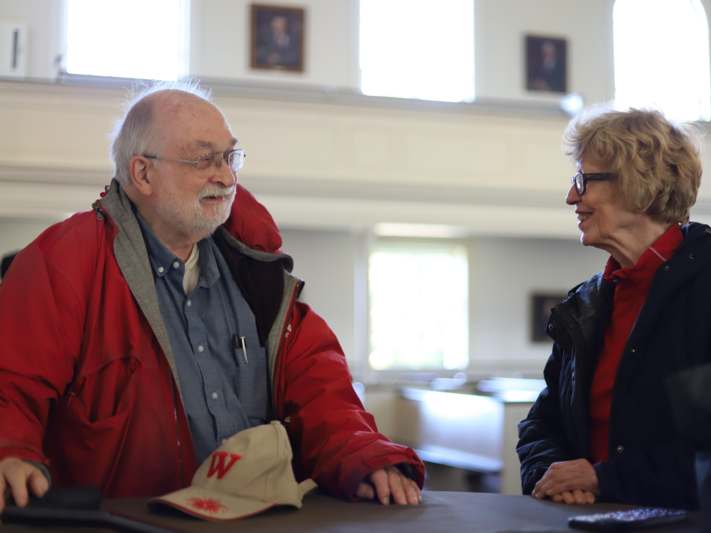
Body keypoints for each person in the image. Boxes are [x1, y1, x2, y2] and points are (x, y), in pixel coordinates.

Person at [0, 83, 424, 512]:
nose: (226, 176)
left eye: (229, 156)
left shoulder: (256, 274)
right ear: (143, 173)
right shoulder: (62, 263)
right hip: (128, 525)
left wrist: (362, 456)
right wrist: (9, 452)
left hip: (258, 519)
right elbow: (10, 385)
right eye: (203, 159)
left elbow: (322, 390)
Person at [516, 108, 711, 508]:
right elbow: (541, 424)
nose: (572, 196)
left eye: (584, 180)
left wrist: (604, 478)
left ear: (635, 183)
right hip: (583, 517)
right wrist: (556, 473)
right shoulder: (588, 302)